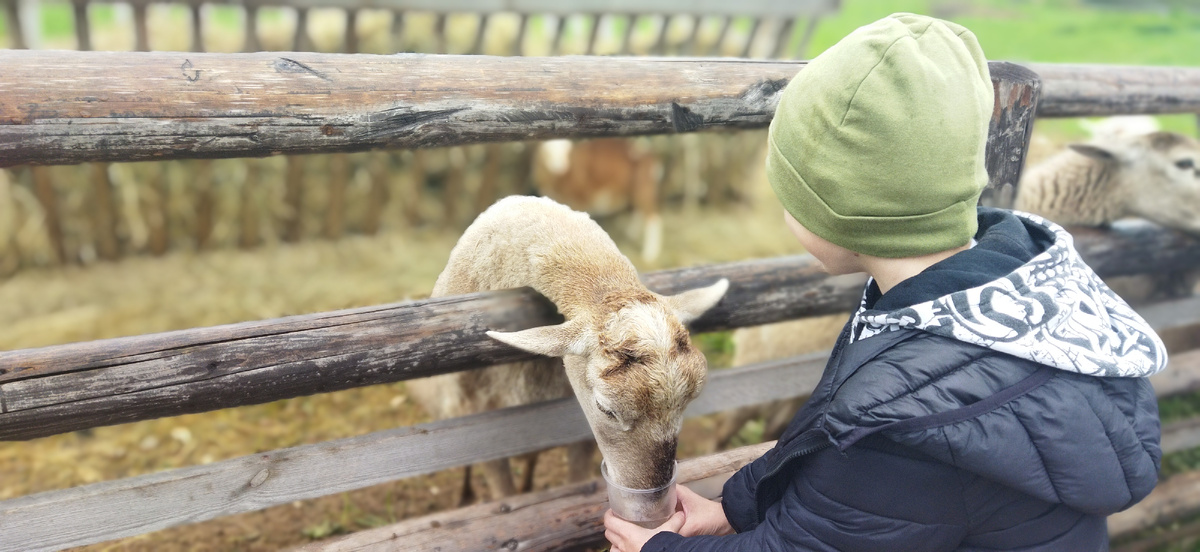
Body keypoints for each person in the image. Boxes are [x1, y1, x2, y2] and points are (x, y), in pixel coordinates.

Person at [604, 13, 1166, 552]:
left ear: (844, 215)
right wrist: (734, 506)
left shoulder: (904, 433)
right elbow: (844, 469)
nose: (783, 212)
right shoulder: (1003, 297)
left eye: (793, 196)